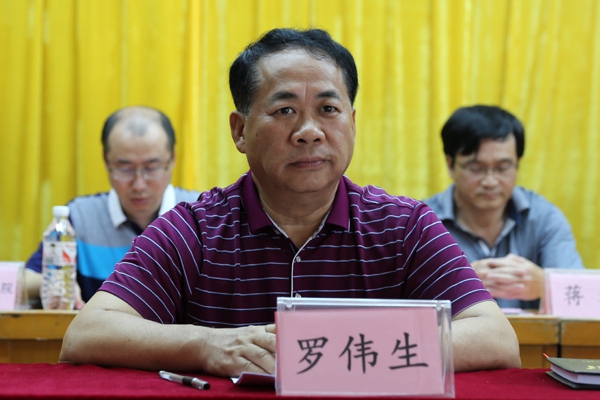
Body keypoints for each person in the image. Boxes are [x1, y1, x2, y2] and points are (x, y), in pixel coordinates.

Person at [60, 28, 520, 377]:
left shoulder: (403, 226)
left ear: (353, 123)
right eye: (284, 111)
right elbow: (87, 333)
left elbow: (494, 338)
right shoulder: (195, 228)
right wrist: (207, 345)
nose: (309, 131)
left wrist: (337, 351)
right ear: (240, 130)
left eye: (328, 109)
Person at [25, 106, 200, 308]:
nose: (139, 185)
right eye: (125, 168)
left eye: (152, 167)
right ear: (106, 161)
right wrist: (54, 283)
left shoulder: (200, 215)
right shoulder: (80, 218)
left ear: (172, 159)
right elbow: (25, 279)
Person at [425, 105, 584, 310]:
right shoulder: (421, 224)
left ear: (517, 163)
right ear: (450, 164)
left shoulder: (544, 218)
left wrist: (545, 285)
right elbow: (400, 304)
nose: (490, 181)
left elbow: (583, 296)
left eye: (502, 167)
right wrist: (456, 285)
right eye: (476, 168)